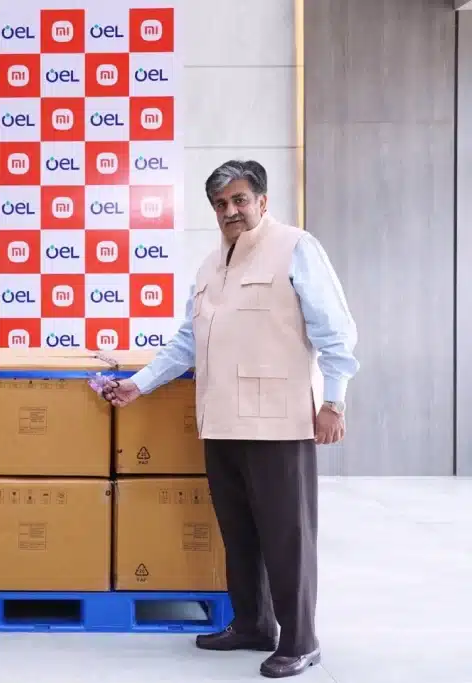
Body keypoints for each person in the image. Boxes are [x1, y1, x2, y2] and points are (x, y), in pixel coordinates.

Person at [102, 160, 358, 679]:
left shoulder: (296, 248)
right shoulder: (209, 266)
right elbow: (186, 341)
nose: (230, 211)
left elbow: (335, 331)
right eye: (220, 204)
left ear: (262, 201)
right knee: (238, 534)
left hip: (278, 423)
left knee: (287, 537)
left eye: (240, 200)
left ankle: (301, 640)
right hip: (220, 422)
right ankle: (253, 625)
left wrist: (334, 402)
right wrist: (139, 383)